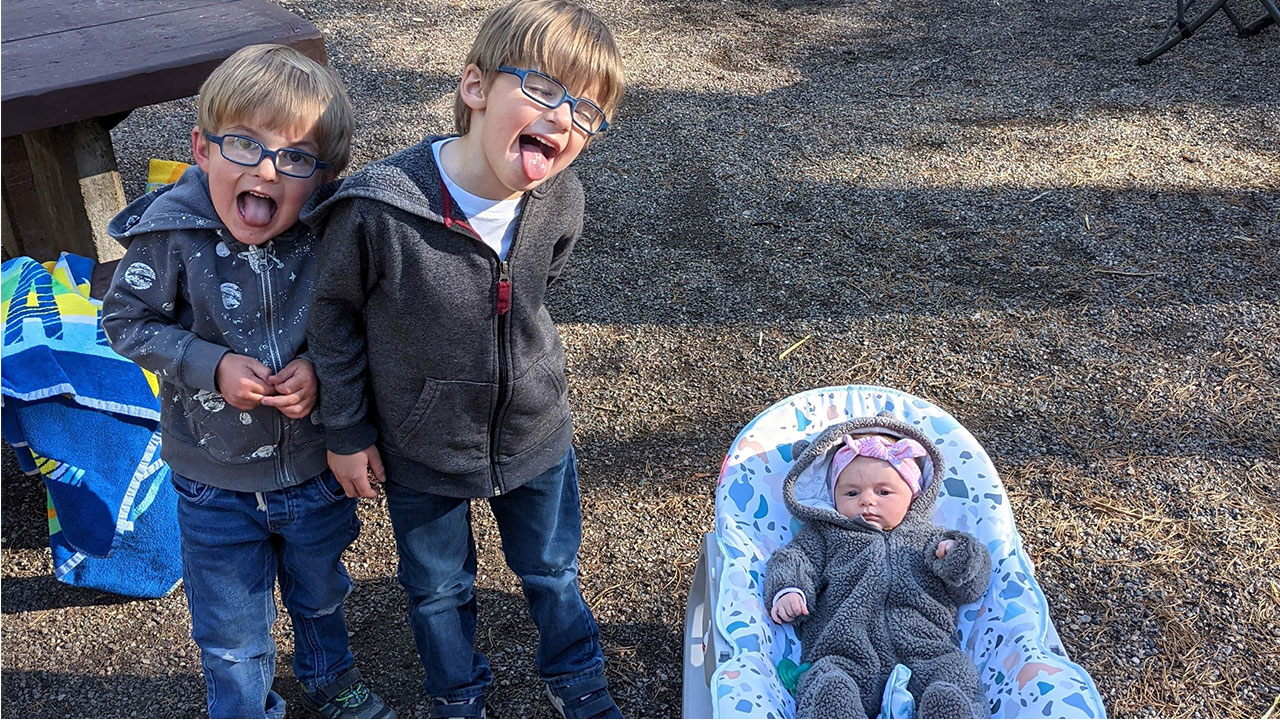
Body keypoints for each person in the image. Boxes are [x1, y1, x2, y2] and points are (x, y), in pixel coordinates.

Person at [300, 1, 625, 717]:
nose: (563, 117)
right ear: (475, 88)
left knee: (550, 571)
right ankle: (457, 696)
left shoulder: (561, 199)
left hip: (535, 433)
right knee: (438, 589)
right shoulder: (381, 210)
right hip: (422, 446)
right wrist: (346, 433)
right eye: (542, 90)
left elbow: (539, 286)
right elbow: (333, 319)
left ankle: (581, 685)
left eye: (587, 111)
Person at [101, 44, 393, 720]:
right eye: (244, 145)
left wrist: (320, 372)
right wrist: (210, 364)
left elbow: (362, 323)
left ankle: (329, 677)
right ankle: (240, 707)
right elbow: (125, 321)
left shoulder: (328, 237)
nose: (266, 168)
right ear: (202, 149)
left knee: (320, 593)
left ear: (322, 179)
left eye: (295, 158)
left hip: (313, 473)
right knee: (231, 632)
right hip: (213, 484)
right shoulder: (171, 236)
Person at [763, 415, 992, 719]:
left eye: (883, 492)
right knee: (828, 684)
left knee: (953, 680)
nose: (867, 501)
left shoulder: (931, 539)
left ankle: (947, 711)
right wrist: (789, 590)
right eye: (852, 493)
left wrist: (956, 556)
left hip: (927, 649)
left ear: (914, 494)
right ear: (833, 496)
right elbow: (794, 559)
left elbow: (972, 586)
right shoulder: (826, 535)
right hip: (844, 649)